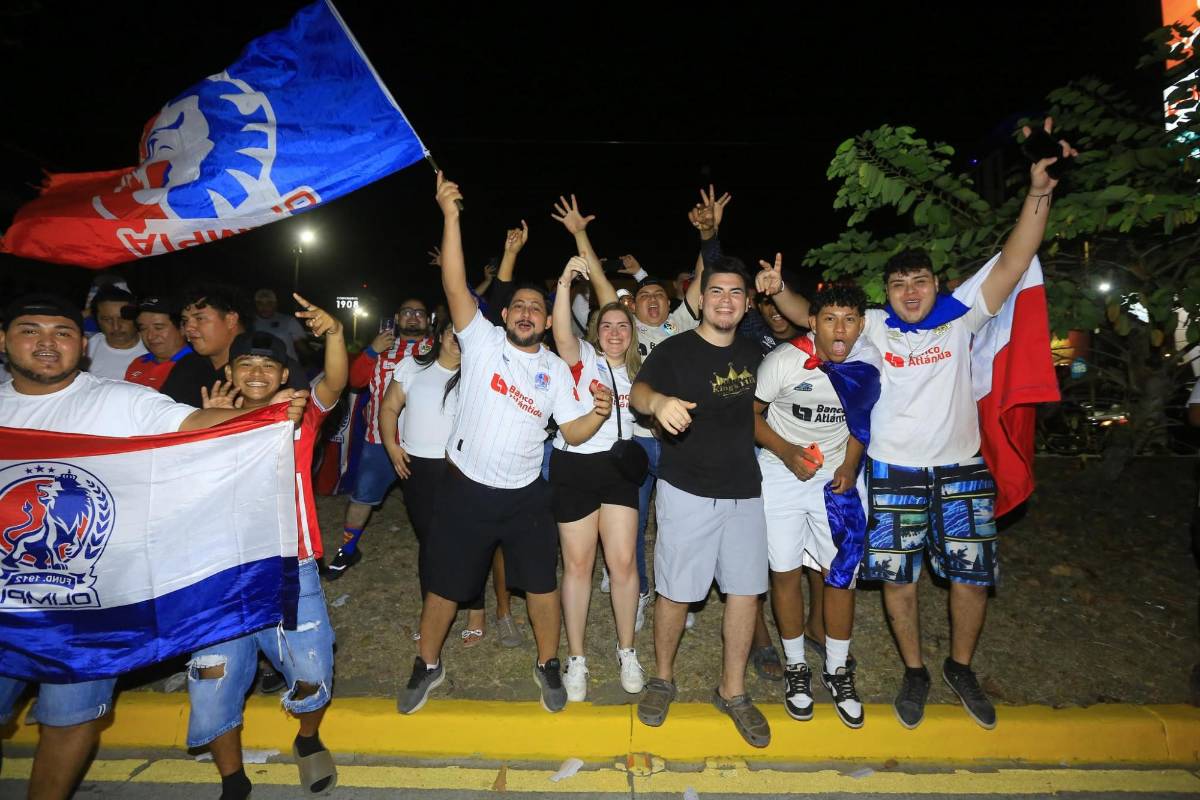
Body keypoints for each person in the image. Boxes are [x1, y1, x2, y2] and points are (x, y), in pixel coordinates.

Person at [765, 118, 1077, 730]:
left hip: (961, 471)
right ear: (887, 291)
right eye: (900, 283)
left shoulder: (962, 317)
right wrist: (779, 295)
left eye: (921, 282)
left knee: (969, 576)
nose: (911, 291)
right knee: (899, 580)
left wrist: (1039, 191)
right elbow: (819, 320)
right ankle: (914, 670)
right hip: (892, 474)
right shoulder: (874, 326)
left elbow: (1015, 258)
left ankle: (961, 666)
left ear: (938, 286)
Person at [0, 293, 307, 800]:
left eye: (63, 332)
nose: (48, 344)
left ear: (83, 344)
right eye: (31, 330)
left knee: (69, 718)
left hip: (88, 606)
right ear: (6, 340)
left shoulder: (119, 401)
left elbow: (191, 424)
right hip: (7, 605)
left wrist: (262, 415)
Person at [398, 174, 611, 715]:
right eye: (518, 305)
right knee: (445, 585)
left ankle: (547, 663)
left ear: (545, 320)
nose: (525, 313)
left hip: (525, 497)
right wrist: (451, 216)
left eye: (536, 308)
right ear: (506, 314)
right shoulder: (483, 340)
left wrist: (598, 414)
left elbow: (571, 432)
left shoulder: (557, 372)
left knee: (541, 585)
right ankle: (427, 663)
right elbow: (452, 287)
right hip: (466, 489)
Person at [187, 296, 346, 800]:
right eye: (246, 364)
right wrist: (210, 423)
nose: (257, 372)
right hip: (220, 572)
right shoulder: (205, 421)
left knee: (314, 669)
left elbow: (336, 383)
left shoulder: (299, 416)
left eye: (268, 365)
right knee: (213, 681)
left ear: (283, 375)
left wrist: (335, 334)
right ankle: (232, 780)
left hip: (288, 569)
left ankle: (307, 738)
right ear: (231, 371)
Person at [629, 256, 771, 748]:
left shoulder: (759, 353)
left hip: (745, 491)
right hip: (686, 489)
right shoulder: (675, 350)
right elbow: (639, 390)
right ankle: (663, 679)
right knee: (674, 590)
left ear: (747, 302)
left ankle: (732, 690)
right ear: (701, 297)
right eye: (717, 292)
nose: (726, 300)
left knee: (746, 592)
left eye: (735, 293)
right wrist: (658, 404)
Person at [753, 285, 880, 728]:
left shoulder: (867, 364)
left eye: (848, 319)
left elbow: (862, 422)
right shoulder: (784, 361)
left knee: (840, 575)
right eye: (829, 318)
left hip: (835, 480)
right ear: (813, 322)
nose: (839, 328)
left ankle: (837, 668)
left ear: (860, 324)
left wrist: (849, 465)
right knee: (784, 570)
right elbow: (750, 414)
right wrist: (787, 452)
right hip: (782, 473)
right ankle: (796, 667)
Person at [378, 318, 517, 647]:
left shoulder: (479, 374)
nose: (457, 339)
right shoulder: (411, 367)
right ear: (439, 336)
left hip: (461, 470)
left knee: (468, 542)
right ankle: (431, 610)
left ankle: (475, 609)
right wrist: (391, 446)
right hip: (416, 468)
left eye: (463, 336)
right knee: (430, 543)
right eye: (451, 333)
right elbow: (389, 407)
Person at [549, 252, 646, 702]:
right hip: (575, 466)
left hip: (618, 469)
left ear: (631, 335)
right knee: (579, 566)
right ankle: (577, 657)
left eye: (622, 326)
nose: (613, 332)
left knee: (624, 563)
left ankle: (627, 650)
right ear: (596, 331)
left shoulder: (641, 371)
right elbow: (561, 331)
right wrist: (566, 283)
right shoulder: (581, 357)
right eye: (606, 325)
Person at [327, 297, 432, 579]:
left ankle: (438, 552)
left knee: (435, 502)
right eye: (407, 312)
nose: (413, 317)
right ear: (397, 318)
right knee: (362, 498)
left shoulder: (437, 350)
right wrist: (371, 351)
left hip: (426, 445)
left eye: (419, 313)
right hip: (379, 443)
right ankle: (347, 550)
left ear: (428, 320)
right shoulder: (382, 348)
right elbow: (356, 381)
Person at [125, 296, 215, 401]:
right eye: (143, 329)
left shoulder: (200, 367)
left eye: (159, 328)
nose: (150, 336)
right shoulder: (139, 362)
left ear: (182, 328)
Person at [86, 285, 147, 380]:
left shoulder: (152, 346)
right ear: (97, 320)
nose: (116, 326)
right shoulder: (86, 349)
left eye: (123, 318)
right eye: (107, 319)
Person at [253, 288, 310, 363]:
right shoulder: (249, 322)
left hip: (288, 367)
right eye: (260, 303)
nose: (264, 307)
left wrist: (311, 361)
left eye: (269, 303)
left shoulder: (289, 321)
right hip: (260, 367)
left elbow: (303, 347)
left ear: (275, 304)